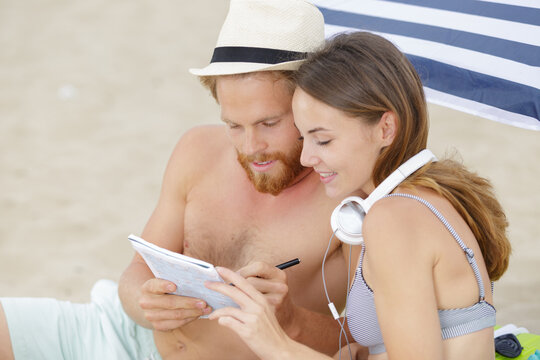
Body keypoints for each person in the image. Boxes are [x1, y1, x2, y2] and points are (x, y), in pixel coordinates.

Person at [0, 1, 368, 359]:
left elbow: (371, 345)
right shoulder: (198, 148)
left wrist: (290, 321)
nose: (252, 147)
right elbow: (136, 272)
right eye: (234, 125)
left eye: (268, 124)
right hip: (127, 337)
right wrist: (148, 305)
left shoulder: (351, 199)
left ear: (312, 103)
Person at [204, 31, 512, 360]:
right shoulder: (426, 200)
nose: (307, 157)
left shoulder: (393, 219)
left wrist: (276, 345)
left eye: (323, 140)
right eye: (303, 136)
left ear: (385, 129)